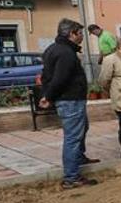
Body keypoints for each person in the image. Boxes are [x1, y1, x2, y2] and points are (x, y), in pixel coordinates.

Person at [39, 18, 99, 189]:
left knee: (82, 128)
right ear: (72, 34)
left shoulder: (54, 49)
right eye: (80, 33)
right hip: (70, 100)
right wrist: (48, 96)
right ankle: (71, 177)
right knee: (73, 137)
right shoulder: (65, 52)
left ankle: (79, 157)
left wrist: (47, 94)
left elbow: (45, 76)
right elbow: (59, 78)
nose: (82, 37)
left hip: (71, 99)